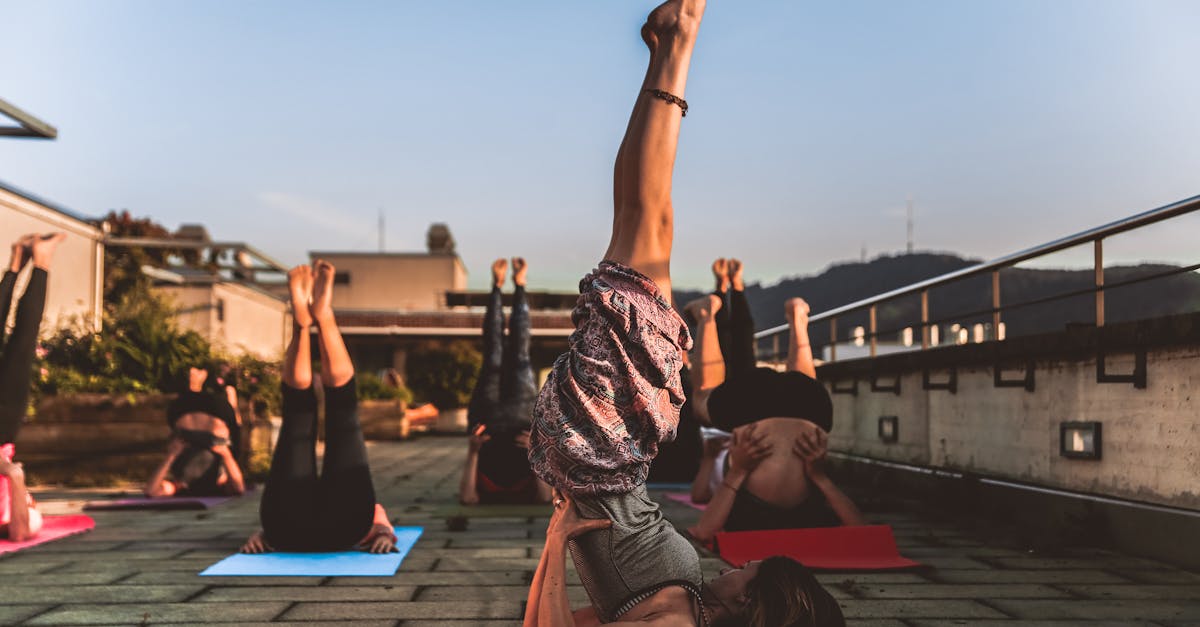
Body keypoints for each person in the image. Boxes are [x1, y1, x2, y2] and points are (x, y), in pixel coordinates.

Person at [524, 3, 844, 625]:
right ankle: (670, 51)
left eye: (747, 574)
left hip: (600, 448)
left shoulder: (673, 621)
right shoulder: (688, 609)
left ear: (754, 606)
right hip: (615, 451)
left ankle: (677, 44)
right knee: (644, 225)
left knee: (647, 226)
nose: (734, 567)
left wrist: (558, 546)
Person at [240, 261, 395, 554]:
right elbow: (380, 519)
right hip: (289, 526)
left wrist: (263, 533)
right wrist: (385, 533)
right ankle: (313, 320)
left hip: (302, 527)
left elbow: (377, 513)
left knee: (343, 413)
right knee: (297, 414)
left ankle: (318, 319)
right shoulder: (282, 522)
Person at [685, 289, 865, 541]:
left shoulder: (811, 511)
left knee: (802, 388)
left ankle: (798, 320)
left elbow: (862, 532)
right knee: (703, 397)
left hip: (809, 411)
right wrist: (819, 476)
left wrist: (739, 470)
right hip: (754, 417)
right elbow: (704, 533)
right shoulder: (748, 512)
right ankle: (706, 315)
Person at [460, 258, 552, 505]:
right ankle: (518, 285)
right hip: (521, 421)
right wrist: (536, 450)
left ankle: (498, 287)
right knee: (517, 352)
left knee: (495, 351)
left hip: (486, 422)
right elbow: (546, 498)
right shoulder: (528, 491)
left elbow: (468, 499)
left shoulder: (486, 489)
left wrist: (472, 451)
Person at [0, 234, 64, 542]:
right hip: (3, 431)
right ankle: (31, 261)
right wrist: (14, 475)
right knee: (21, 346)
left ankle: (24, 263)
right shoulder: (20, 515)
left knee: (22, 345)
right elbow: (22, 532)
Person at [143, 366, 245, 498]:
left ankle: (204, 391)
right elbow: (239, 488)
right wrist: (225, 454)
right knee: (230, 431)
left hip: (206, 434)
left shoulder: (179, 486)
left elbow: (151, 491)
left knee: (232, 429)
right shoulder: (218, 483)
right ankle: (200, 389)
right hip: (208, 437)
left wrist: (171, 456)